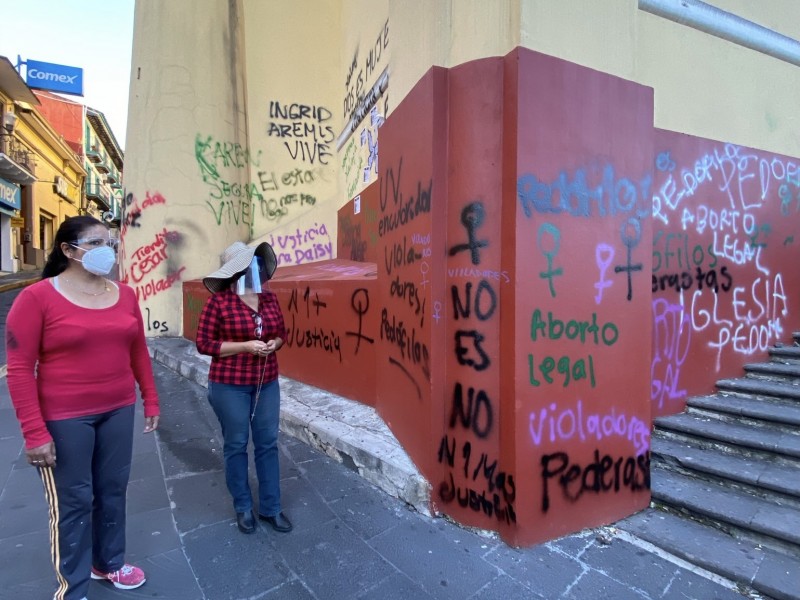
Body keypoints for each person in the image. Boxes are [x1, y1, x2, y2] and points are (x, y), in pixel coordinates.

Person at [5, 215, 160, 600]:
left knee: (112, 491)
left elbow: (138, 349)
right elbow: (20, 368)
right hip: (64, 418)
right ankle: (72, 589)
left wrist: (150, 398)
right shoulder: (37, 297)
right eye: (95, 243)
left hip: (118, 409)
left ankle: (108, 564)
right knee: (74, 502)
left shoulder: (124, 294)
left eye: (109, 242)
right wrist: (35, 433)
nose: (105, 250)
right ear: (69, 250)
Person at [195, 240, 292, 535]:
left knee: (267, 443)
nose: (257, 269)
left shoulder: (269, 299)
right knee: (236, 444)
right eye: (251, 265)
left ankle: (271, 508)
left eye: (258, 264)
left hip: (266, 382)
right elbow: (204, 344)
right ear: (236, 271)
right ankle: (243, 507)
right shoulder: (219, 302)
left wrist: (274, 343)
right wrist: (244, 346)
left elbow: (281, 334)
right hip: (229, 384)